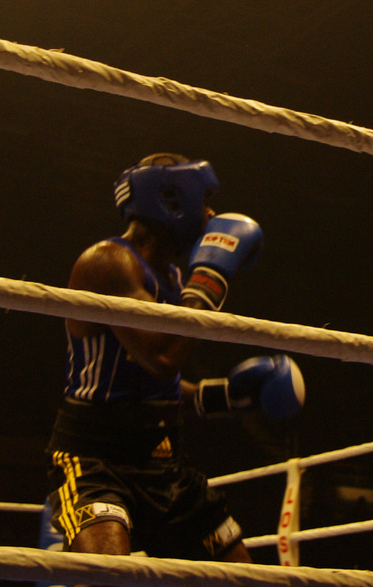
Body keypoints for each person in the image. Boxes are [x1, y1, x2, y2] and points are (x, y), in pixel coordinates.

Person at [46, 152, 304, 569]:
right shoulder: (107, 263)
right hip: (97, 460)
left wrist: (223, 396)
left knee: (242, 577)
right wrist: (211, 279)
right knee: (107, 576)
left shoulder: (172, 279)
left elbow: (153, 381)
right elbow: (162, 357)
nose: (211, 214)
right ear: (171, 200)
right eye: (204, 201)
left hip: (165, 464)